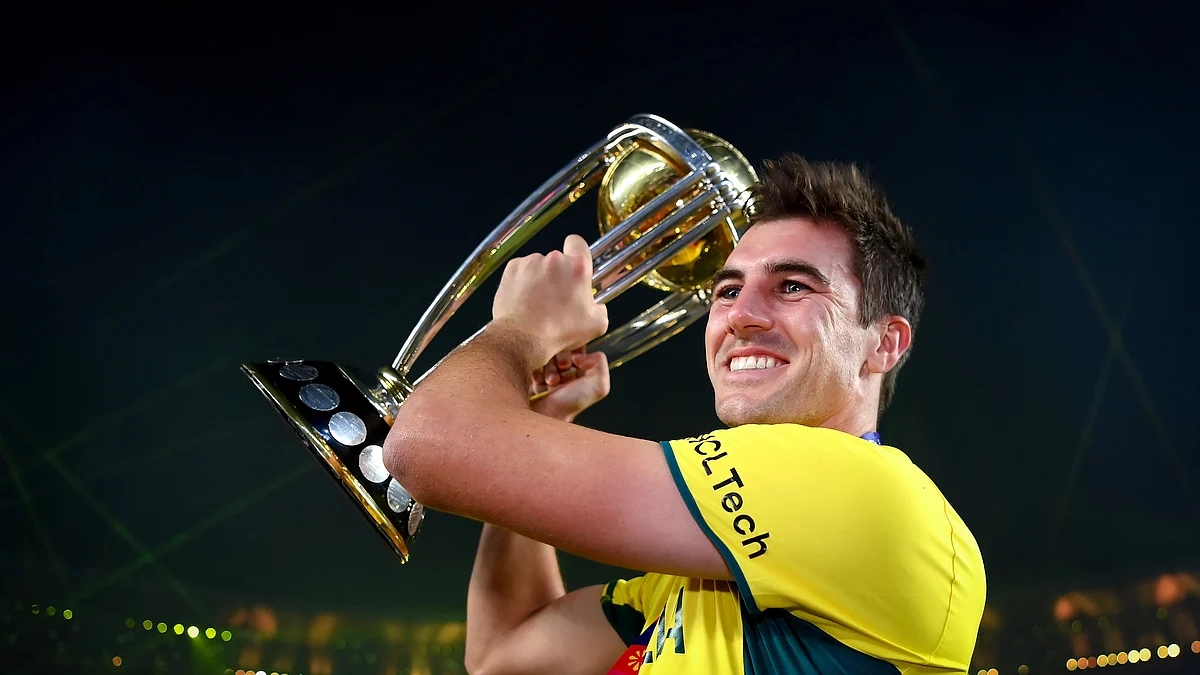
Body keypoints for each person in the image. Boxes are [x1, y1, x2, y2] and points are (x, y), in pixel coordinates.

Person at [382, 155, 986, 674]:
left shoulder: (860, 490)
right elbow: (504, 653)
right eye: (726, 290)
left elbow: (424, 446)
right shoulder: (710, 571)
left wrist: (518, 329)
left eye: (794, 287)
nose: (739, 315)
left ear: (885, 343)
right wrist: (552, 415)